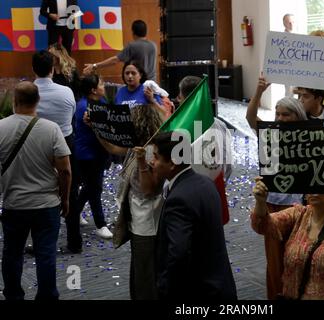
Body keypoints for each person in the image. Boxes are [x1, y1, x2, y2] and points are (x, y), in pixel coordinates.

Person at [0, 81, 71, 300]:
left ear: (15, 101)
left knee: (12, 254)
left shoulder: (1, 127)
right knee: (46, 254)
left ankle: (13, 295)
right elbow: (65, 170)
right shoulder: (52, 129)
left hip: (14, 204)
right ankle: (47, 296)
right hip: (47, 205)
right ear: (38, 101)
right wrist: (65, 199)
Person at [149, 131, 237, 300]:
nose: (152, 162)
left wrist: (165, 289)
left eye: (156, 157)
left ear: (173, 163)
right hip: (220, 284)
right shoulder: (206, 183)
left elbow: (178, 253)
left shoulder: (178, 199)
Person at [91, 101, 165, 299]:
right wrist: (96, 128)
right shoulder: (138, 145)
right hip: (138, 221)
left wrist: (141, 161)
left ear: (138, 124)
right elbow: (113, 148)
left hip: (147, 224)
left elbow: (149, 189)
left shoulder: (150, 152)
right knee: (139, 273)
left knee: (145, 277)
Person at [246, 74, 307, 299]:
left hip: (299, 207)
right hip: (272, 204)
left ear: (297, 117)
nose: (280, 118)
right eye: (277, 114)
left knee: (298, 256)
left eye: (286, 114)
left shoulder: (308, 136)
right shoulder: (270, 135)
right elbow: (251, 118)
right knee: (275, 261)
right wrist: (259, 92)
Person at [32, 50, 80, 252]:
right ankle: (75, 242)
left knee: (39, 192)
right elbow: (72, 116)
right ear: (53, 69)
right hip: (66, 143)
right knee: (71, 192)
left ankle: (40, 243)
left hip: (38, 145)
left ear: (33, 69)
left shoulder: (28, 91)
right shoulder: (66, 92)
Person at [73, 75, 113, 240]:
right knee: (94, 188)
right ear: (93, 90)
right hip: (87, 155)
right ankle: (100, 224)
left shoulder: (101, 102)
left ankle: (73, 212)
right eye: (101, 83)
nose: (104, 86)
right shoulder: (83, 107)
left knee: (89, 187)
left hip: (99, 152)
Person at [83, 20, 157, 81]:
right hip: (153, 84)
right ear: (145, 31)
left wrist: (95, 65)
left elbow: (114, 60)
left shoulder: (132, 46)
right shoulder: (154, 45)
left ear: (133, 32)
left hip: (139, 85)